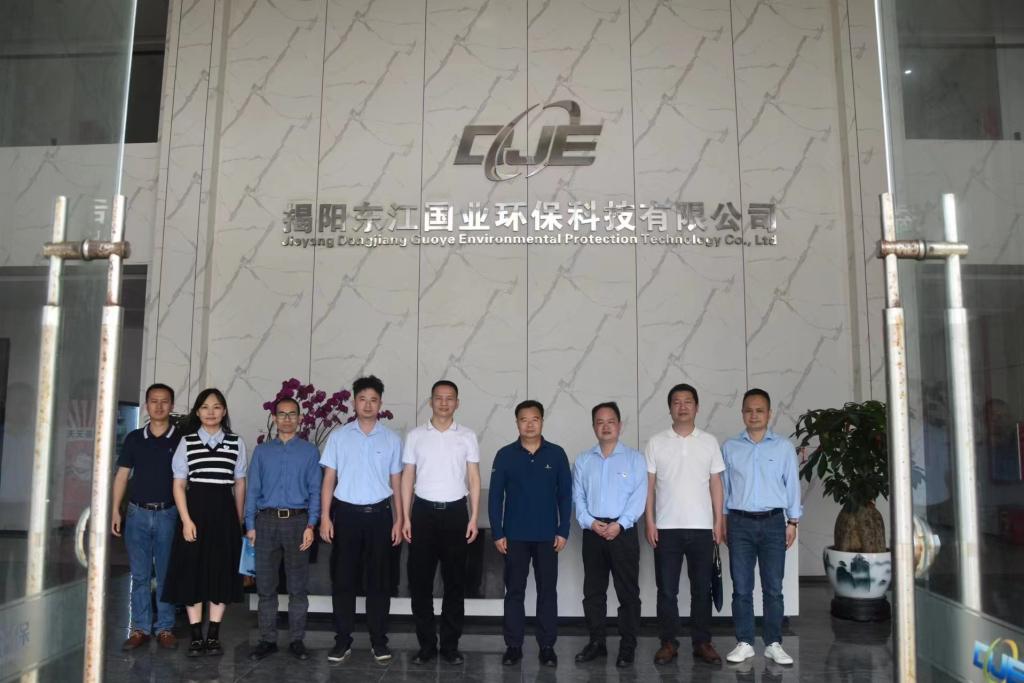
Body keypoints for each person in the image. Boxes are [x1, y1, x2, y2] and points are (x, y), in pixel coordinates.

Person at [319, 375, 402, 664]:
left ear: (381, 403)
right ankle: (342, 640)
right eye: (362, 399)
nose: (368, 405)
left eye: (373, 400)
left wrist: (399, 520)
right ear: (354, 402)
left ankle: (379, 641)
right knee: (343, 580)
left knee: (379, 581)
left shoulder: (392, 439)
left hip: (380, 516)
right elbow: (329, 480)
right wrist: (325, 517)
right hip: (346, 516)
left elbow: (397, 483)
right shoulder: (339, 437)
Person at [162, 388, 248, 658]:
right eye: (205, 407)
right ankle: (196, 636)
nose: (211, 412)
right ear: (197, 412)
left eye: (217, 407)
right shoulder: (187, 442)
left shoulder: (236, 442)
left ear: (224, 411)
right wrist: (186, 520)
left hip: (224, 514)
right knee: (193, 573)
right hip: (194, 513)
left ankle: (213, 636)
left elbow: (240, 483)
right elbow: (178, 484)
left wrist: (238, 518)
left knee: (220, 573)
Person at [401, 380, 481, 665]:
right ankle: (426, 645)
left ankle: (450, 646)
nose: (444, 403)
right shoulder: (415, 436)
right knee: (420, 582)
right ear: (431, 401)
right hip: (423, 513)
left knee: (455, 582)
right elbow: (407, 477)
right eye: (439, 398)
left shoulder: (467, 436)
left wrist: (473, 516)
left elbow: (474, 478)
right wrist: (406, 517)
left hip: (456, 513)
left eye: (449, 398)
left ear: (457, 402)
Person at [644, 383, 725, 666]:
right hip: (666, 529)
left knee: (702, 589)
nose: (682, 406)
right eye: (676, 402)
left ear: (697, 407)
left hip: (702, 528)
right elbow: (649, 486)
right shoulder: (656, 442)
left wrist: (718, 521)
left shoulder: (709, 442)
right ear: (670, 408)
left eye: (688, 401)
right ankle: (668, 642)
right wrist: (650, 521)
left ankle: (702, 642)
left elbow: (716, 483)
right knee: (667, 590)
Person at [722, 388, 802, 665]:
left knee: (773, 588)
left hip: (773, 523)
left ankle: (773, 643)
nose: (754, 415)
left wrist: (793, 521)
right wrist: (723, 521)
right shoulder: (730, 447)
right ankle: (744, 642)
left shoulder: (783, 447)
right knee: (741, 587)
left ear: (769, 414)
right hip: (739, 523)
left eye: (759, 410)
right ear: (742, 413)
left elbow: (792, 485)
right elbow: (725, 488)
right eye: (749, 410)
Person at [488, 399, 571, 668]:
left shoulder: (556, 454)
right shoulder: (505, 455)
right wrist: (498, 532)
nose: (530, 424)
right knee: (514, 591)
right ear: (517, 423)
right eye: (524, 420)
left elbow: (565, 495)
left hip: (548, 536)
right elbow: (495, 497)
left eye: (535, 419)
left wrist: (563, 530)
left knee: (548, 591)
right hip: (514, 536)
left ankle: (547, 647)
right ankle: (513, 646)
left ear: (542, 421)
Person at [245, 397, 322, 661]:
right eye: (282, 414)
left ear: (299, 419)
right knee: (266, 586)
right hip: (265, 522)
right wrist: (250, 525)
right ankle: (267, 639)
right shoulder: (262, 452)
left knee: (297, 587)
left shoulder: (309, 452)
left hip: (298, 522)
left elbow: (315, 491)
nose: (287, 418)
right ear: (274, 418)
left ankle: (297, 640)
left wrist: (311, 524)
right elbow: (253, 489)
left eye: (292, 414)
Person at [572, 402, 647, 668]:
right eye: (600, 422)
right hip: (593, 532)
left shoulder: (635, 459)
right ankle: (597, 642)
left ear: (619, 425)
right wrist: (590, 522)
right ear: (594, 427)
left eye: (611, 421)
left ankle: (627, 646)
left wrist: (620, 524)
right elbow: (578, 497)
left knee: (628, 592)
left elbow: (639, 497)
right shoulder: (583, 460)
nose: (605, 426)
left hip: (623, 533)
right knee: (593, 591)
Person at [111, 383, 182, 651]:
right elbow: (121, 476)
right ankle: (140, 628)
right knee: (139, 575)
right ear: (147, 405)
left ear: (172, 406)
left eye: (164, 401)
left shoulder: (181, 440)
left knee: (166, 574)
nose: (159, 406)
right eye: (154, 401)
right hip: (137, 514)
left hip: (168, 514)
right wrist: (115, 510)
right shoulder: (134, 438)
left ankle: (164, 628)